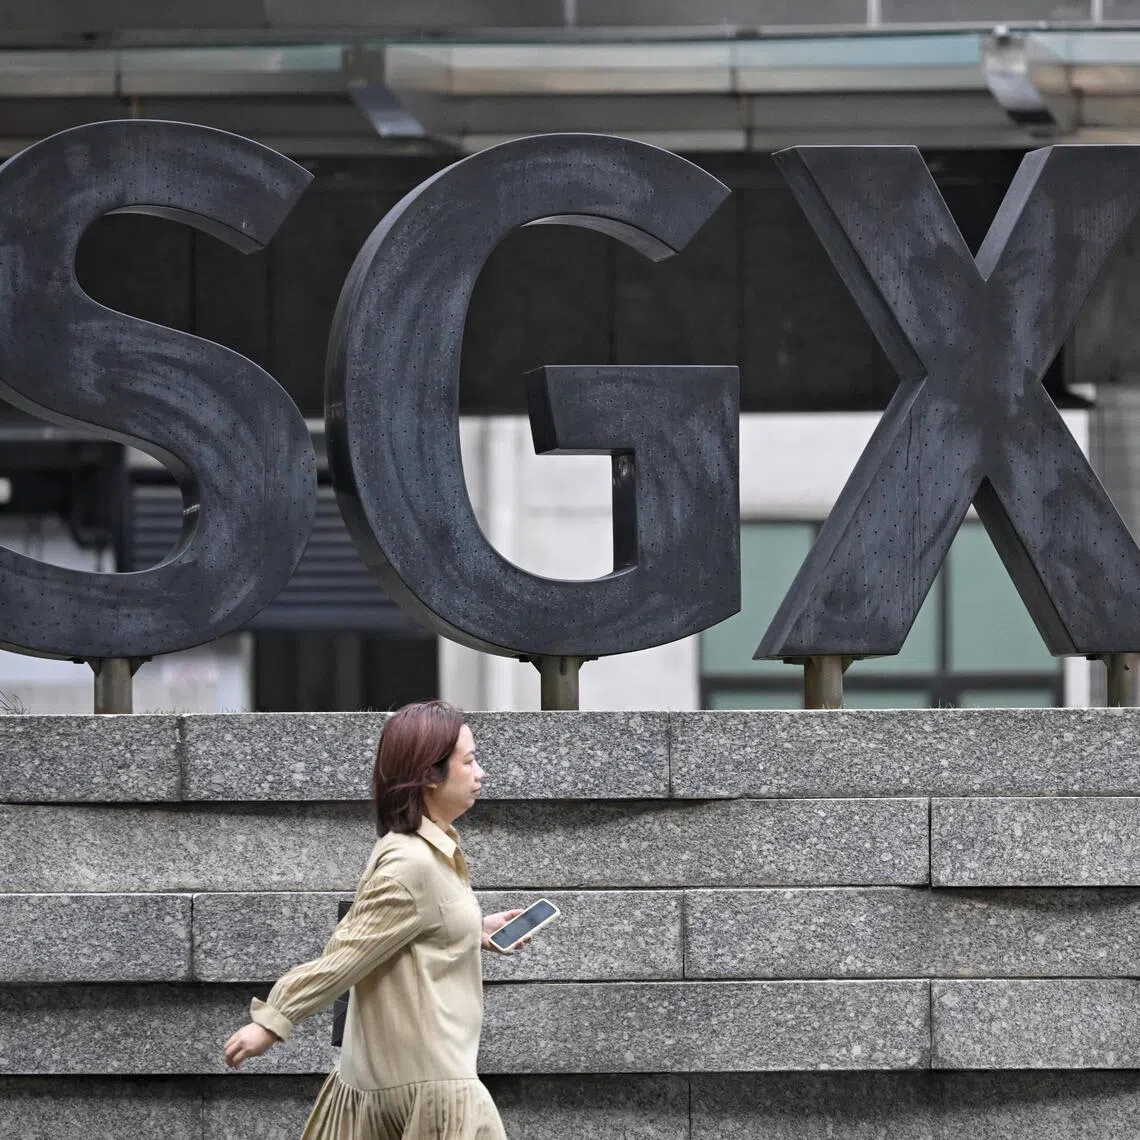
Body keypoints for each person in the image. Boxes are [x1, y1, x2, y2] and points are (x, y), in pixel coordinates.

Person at [223, 699, 531, 1139]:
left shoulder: (425, 850)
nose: (480, 773)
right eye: (469, 761)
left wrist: (471, 930)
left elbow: (404, 930)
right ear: (430, 775)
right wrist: (272, 1021)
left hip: (412, 1076)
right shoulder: (413, 863)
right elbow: (346, 953)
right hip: (431, 1083)